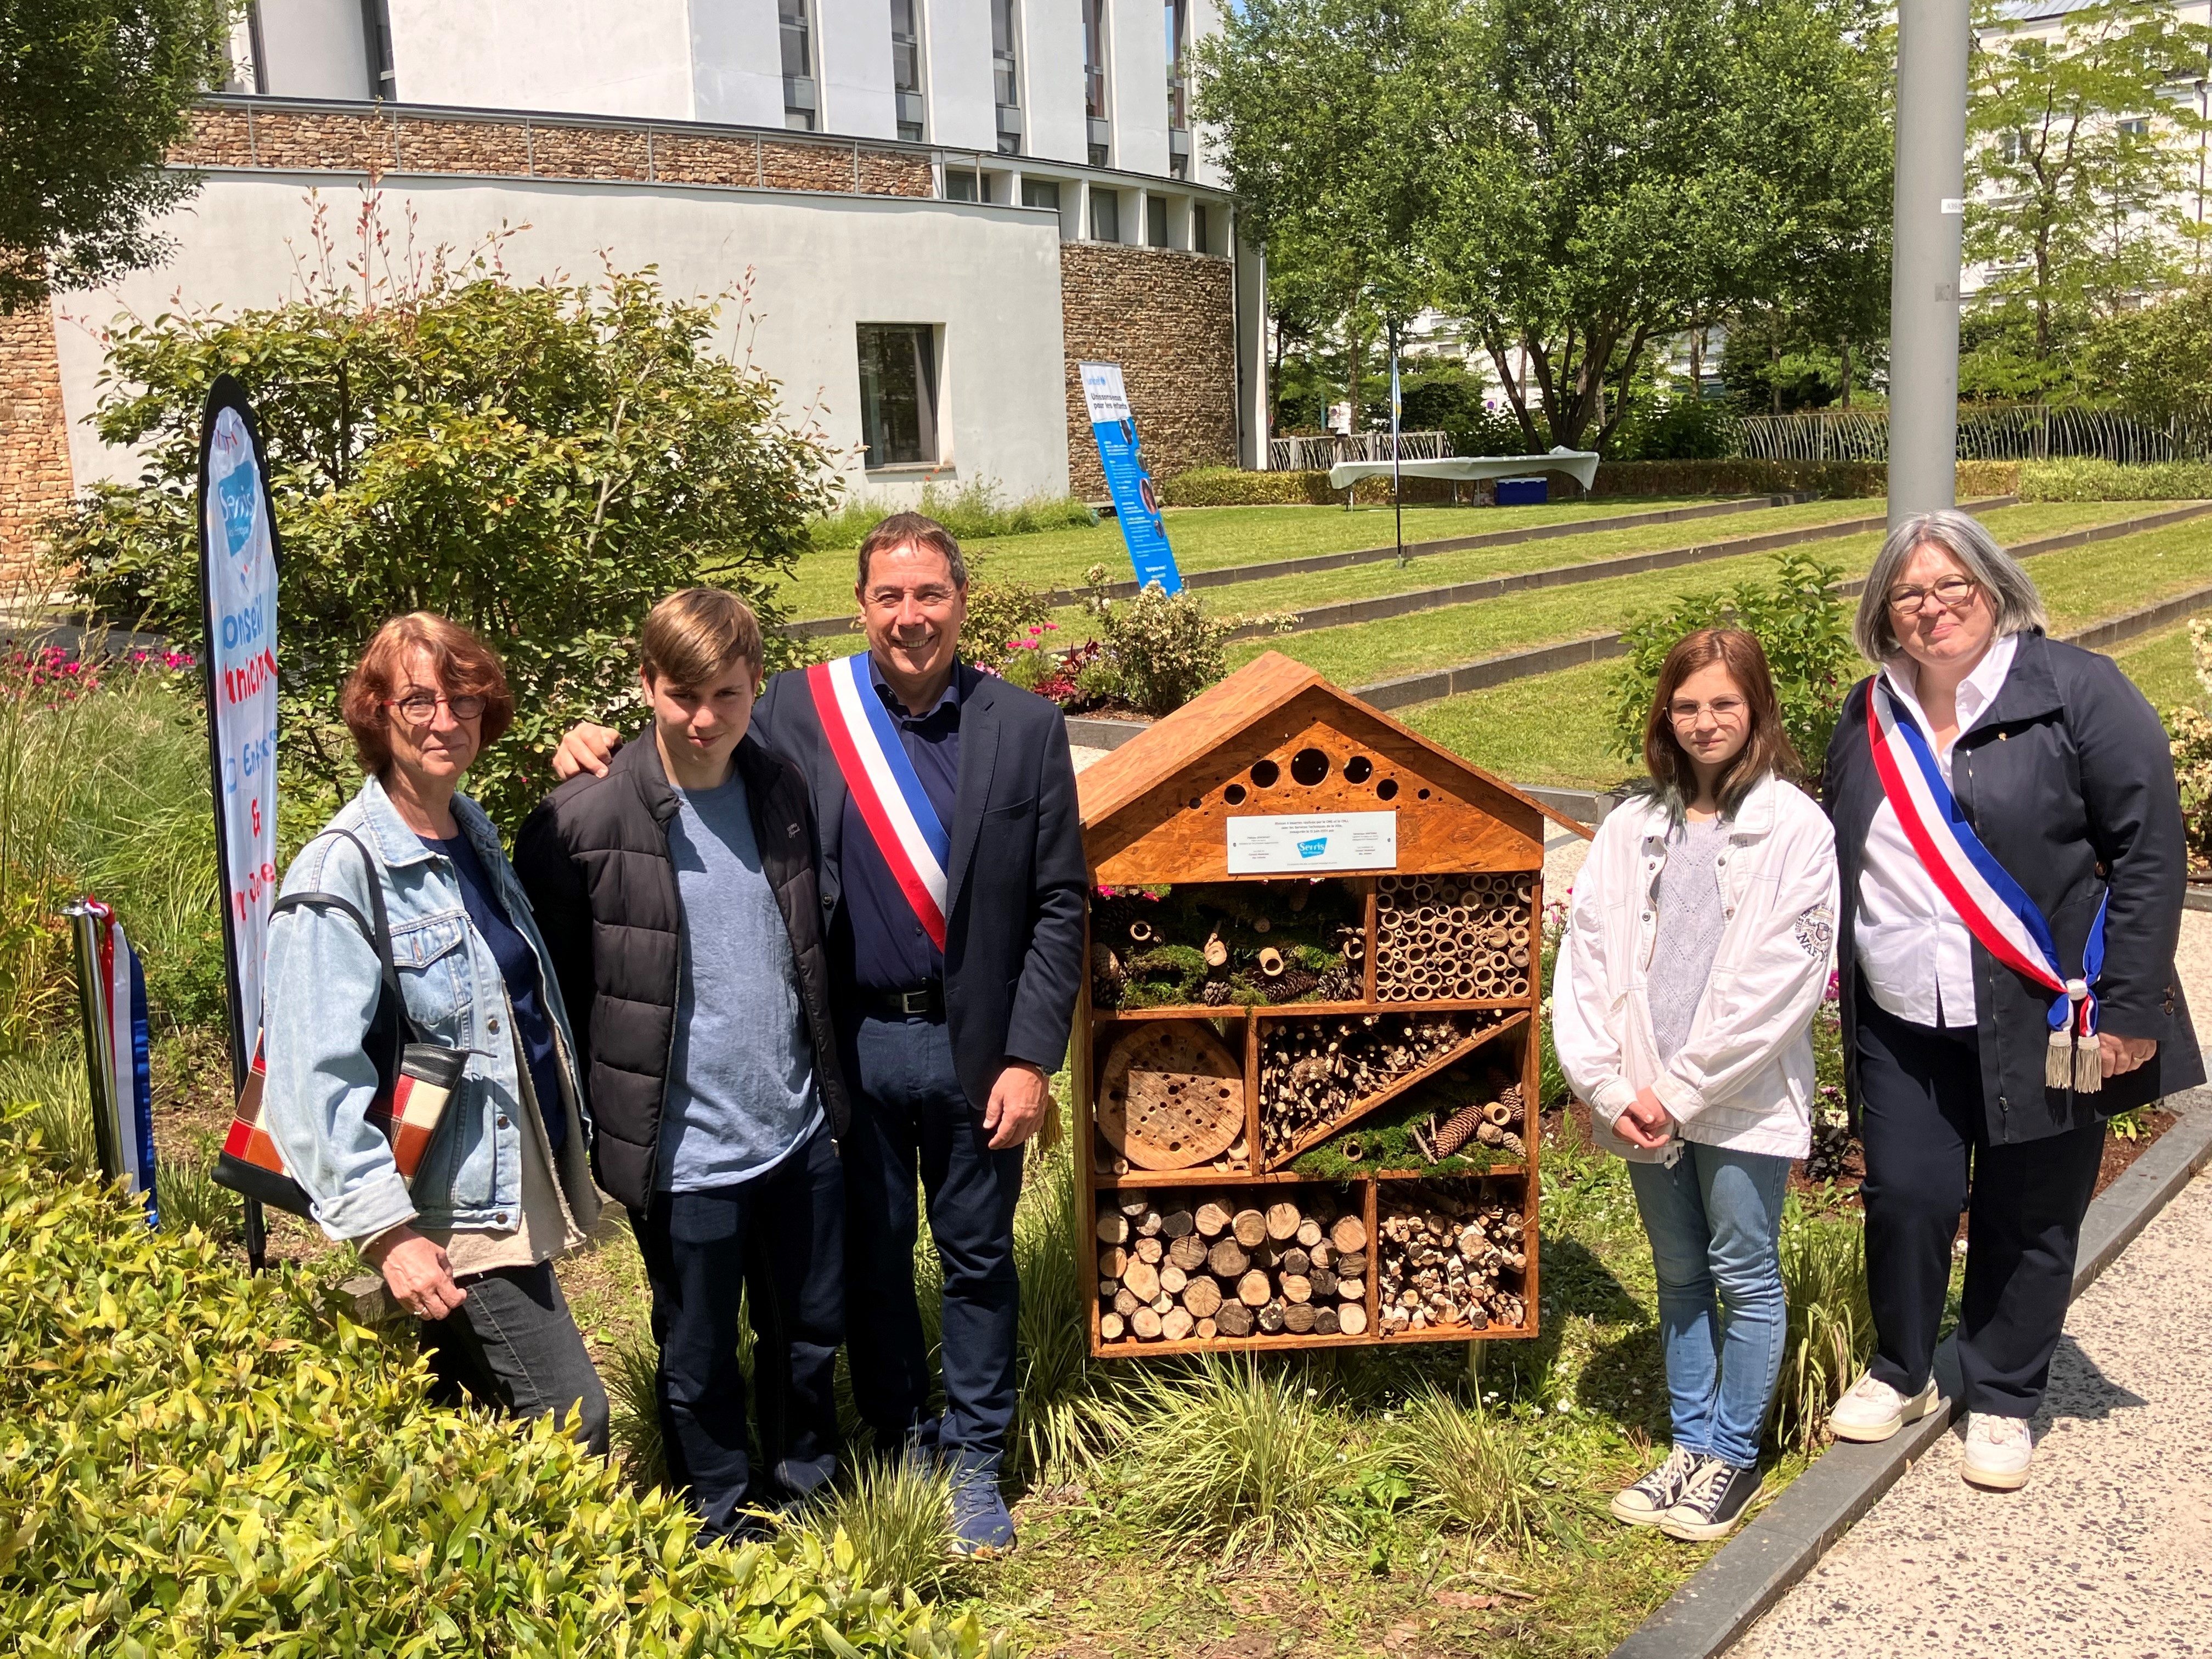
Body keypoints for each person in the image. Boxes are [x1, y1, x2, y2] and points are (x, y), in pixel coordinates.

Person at [553, 513, 1086, 1551]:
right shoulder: (804, 706)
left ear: (962, 602)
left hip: (980, 1051)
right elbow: (692, 725)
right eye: (889, 596)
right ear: (861, 606)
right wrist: (592, 743)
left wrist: (1032, 1056)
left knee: (976, 1259)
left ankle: (978, 1461)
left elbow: (1062, 901)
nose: (910, 616)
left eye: (930, 594)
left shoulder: (1024, 727)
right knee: (877, 1259)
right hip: (854, 1047)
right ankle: (897, 1440)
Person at [1822, 509, 2201, 1490]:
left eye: (1954, 587)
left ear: (1994, 588)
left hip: (2051, 1016)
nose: (1933, 608)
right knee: (1907, 1194)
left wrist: (2129, 1010)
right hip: (1904, 1016)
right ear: (1884, 613)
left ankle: (2001, 1392)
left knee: (2031, 1209)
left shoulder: (2078, 692)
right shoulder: (1866, 718)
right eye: (1910, 594)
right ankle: (1903, 1368)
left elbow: (2150, 855)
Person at [515, 589, 849, 1540]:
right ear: (646, 685)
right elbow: (562, 992)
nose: (706, 720)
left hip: (795, 1130)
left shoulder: (781, 792)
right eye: (682, 695)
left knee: (806, 1334)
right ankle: (721, 1508)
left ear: (756, 690)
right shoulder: (581, 820)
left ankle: (805, 1488)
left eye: (729, 696)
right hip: (681, 1151)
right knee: (698, 1350)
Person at [261, 613, 607, 1452]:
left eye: (465, 699)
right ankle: (568, 1580)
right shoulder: (342, 871)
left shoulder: (469, 830)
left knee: (465, 1422)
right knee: (571, 1417)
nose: (446, 720)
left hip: (498, 1174)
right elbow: (314, 1076)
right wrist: (388, 1235)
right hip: (443, 1214)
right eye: (419, 701)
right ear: (377, 714)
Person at [1555, 628, 1839, 1541]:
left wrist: (1680, 1090)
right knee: (1678, 1275)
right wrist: (1608, 1086)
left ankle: (1731, 1456)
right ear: (1664, 716)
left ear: (1756, 707)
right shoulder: (1636, 825)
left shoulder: (1796, 827)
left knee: (1744, 1271)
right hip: (1641, 1099)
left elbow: (1781, 986)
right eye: (1687, 706)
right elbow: (1588, 959)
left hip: (1736, 1095)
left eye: (1724, 703)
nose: (1706, 721)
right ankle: (1687, 1441)